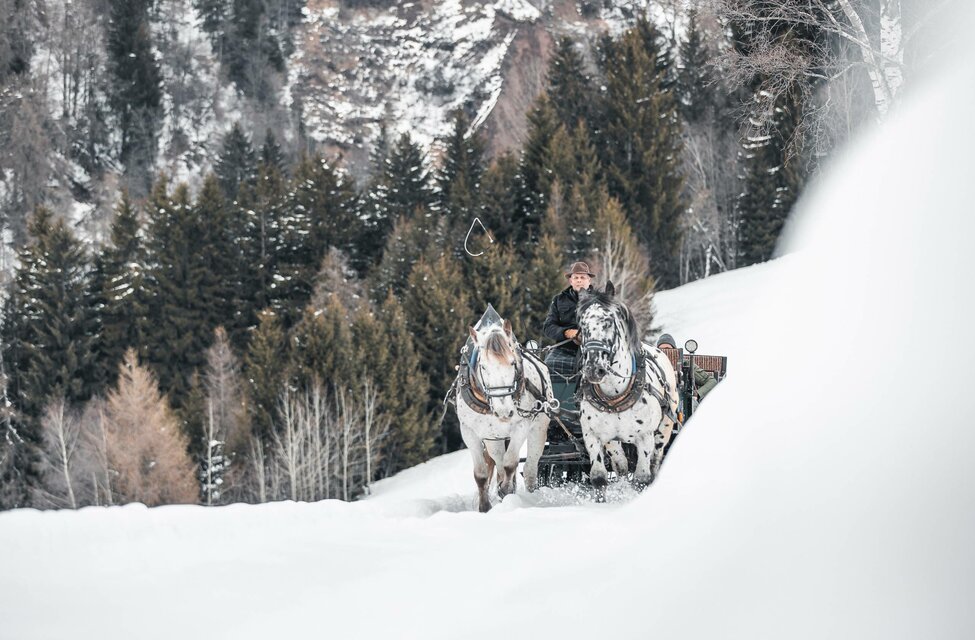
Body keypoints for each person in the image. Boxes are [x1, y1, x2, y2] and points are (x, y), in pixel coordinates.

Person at [542, 261, 596, 413]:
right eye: (576, 277)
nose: (579, 280)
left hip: (592, 349)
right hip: (564, 348)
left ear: (589, 280)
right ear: (570, 280)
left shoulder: (598, 299)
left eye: (583, 277)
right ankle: (554, 411)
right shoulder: (559, 300)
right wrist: (567, 332)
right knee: (547, 367)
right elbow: (548, 327)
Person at [655, 334, 717, 403]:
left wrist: (697, 394)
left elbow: (711, 381)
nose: (665, 352)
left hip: (682, 401)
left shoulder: (685, 364)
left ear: (675, 350)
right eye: (660, 349)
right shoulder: (652, 365)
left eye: (668, 349)